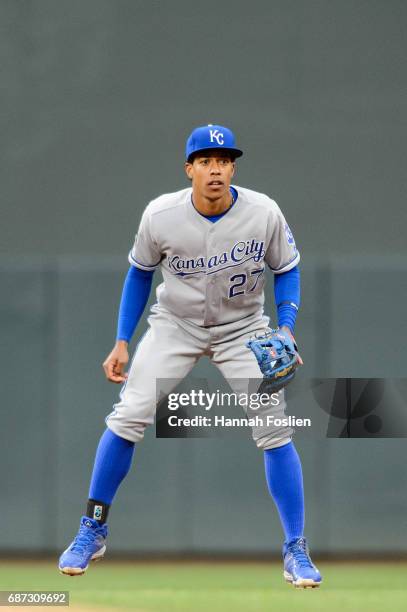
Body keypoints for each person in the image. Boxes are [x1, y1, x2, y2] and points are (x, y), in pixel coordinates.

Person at [58, 124, 322, 588]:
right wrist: (122, 340)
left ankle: (296, 549)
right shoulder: (161, 215)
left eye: (223, 160)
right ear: (189, 169)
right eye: (205, 160)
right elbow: (140, 275)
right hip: (175, 326)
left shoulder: (263, 212)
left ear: (233, 167)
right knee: (129, 414)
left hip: (244, 328)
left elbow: (288, 269)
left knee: (274, 425)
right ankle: (92, 529)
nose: (215, 168)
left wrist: (286, 327)